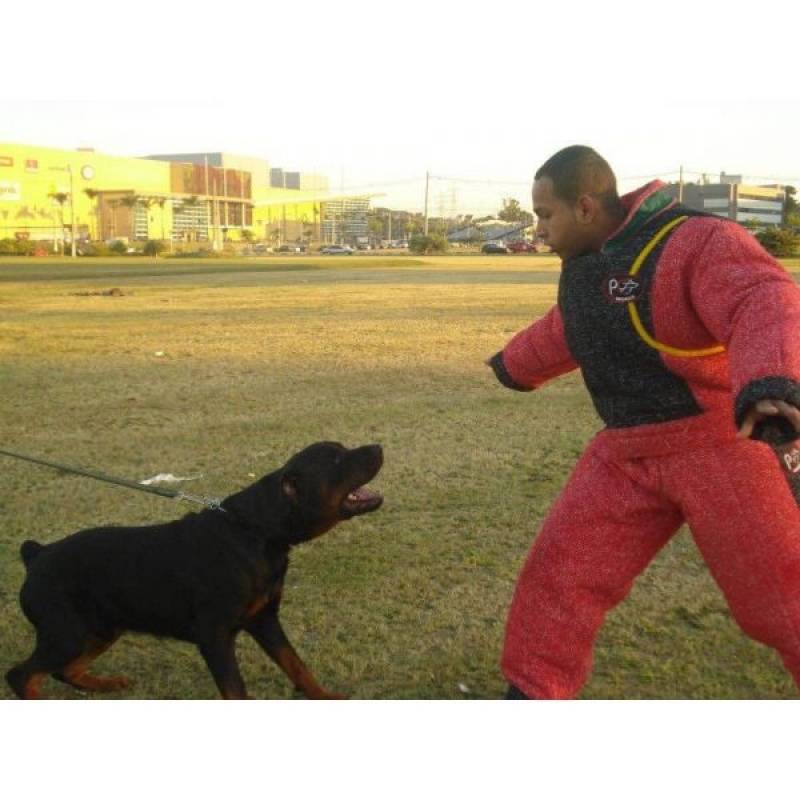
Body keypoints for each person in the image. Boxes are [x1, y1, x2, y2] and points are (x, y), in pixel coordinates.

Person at [487, 145, 800, 699]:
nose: (537, 229)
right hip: (626, 450)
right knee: (561, 574)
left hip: (722, 443)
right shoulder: (588, 266)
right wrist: (514, 365)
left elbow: (761, 296)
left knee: (780, 600)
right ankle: (531, 694)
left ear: (584, 207)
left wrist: (771, 381)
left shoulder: (695, 241)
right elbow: (573, 327)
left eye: (544, 214)